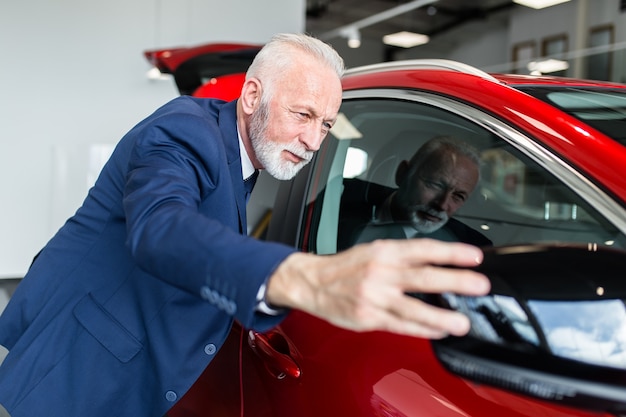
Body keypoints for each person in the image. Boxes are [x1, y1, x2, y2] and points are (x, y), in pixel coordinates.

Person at [0, 34, 489, 417]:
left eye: (325, 124)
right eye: (303, 114)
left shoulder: (249, 156)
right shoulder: (184, 129)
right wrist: (299, 276)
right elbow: (161, 227)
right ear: (252, 95)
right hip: (76, 369)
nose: (314, 139)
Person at [355, 135, 492, 246]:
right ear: (403, 174)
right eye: (436, 185)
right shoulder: (340, 200)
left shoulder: (474, 249)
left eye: (458, 196)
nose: (442, 205)